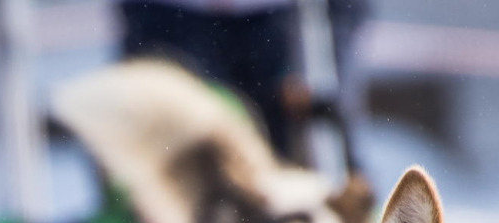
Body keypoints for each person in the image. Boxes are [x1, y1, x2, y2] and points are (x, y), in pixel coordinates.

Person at [115, 0, 370, 170]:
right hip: (169, 21)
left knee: (309, 162)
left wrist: (336, 48)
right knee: (173, 167)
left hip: (283, 24)